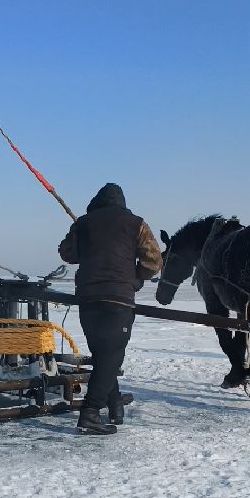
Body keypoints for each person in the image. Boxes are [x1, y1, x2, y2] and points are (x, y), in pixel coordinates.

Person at [58, 183, 162, 435]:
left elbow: (66, 253)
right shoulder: (135, 223)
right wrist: (136, 278)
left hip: (88, 298)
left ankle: (114, 405)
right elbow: (154, 261)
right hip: (118, 298)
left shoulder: (83, 223)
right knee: (111, 357)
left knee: (103, 354)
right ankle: (90, 413)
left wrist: (87, 241)